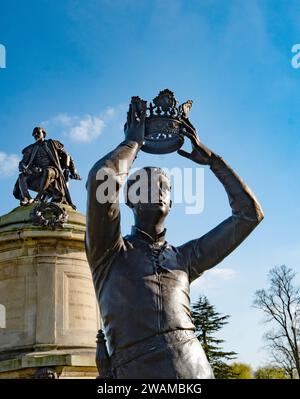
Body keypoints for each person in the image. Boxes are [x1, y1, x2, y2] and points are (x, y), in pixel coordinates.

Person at [85, 97, 264, 379]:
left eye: (163, 186)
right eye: (143, 186)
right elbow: (101, 180)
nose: (155, 189)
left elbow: (249, 215)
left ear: (171, 203)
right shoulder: (108, 253)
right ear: (129, 201)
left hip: (196, 370)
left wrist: (214, 162)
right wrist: (132, 143)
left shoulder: (185, 258)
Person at [13, 127, 81, 208]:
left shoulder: (53, 143)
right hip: (38, 171)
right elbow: (22, 163)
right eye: (34, 134)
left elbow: (67, 156)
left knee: (47, 171)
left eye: (38, 132)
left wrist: (74, 172)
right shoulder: (30, 148)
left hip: (53, 170)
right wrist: (24, 168)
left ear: (43, 134)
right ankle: (26, 198)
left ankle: (39, 197)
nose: (35, 135)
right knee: (21, 176)